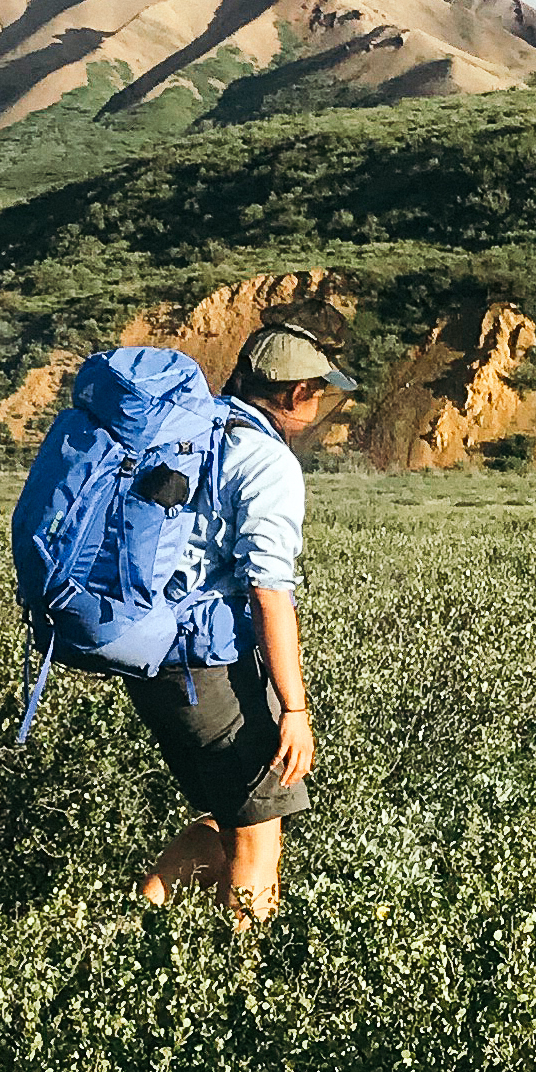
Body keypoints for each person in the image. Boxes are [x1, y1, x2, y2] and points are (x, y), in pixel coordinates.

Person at [120, 323, 353, 924]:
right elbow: (269, 591)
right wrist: (294, 710)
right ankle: (242, 991)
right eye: (318, 396)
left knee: (224, 815)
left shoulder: (188, 432)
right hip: (210, 667)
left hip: (149, 656)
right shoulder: (265, 459)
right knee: (258, 842)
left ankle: (132, 926)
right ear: (298, 395)